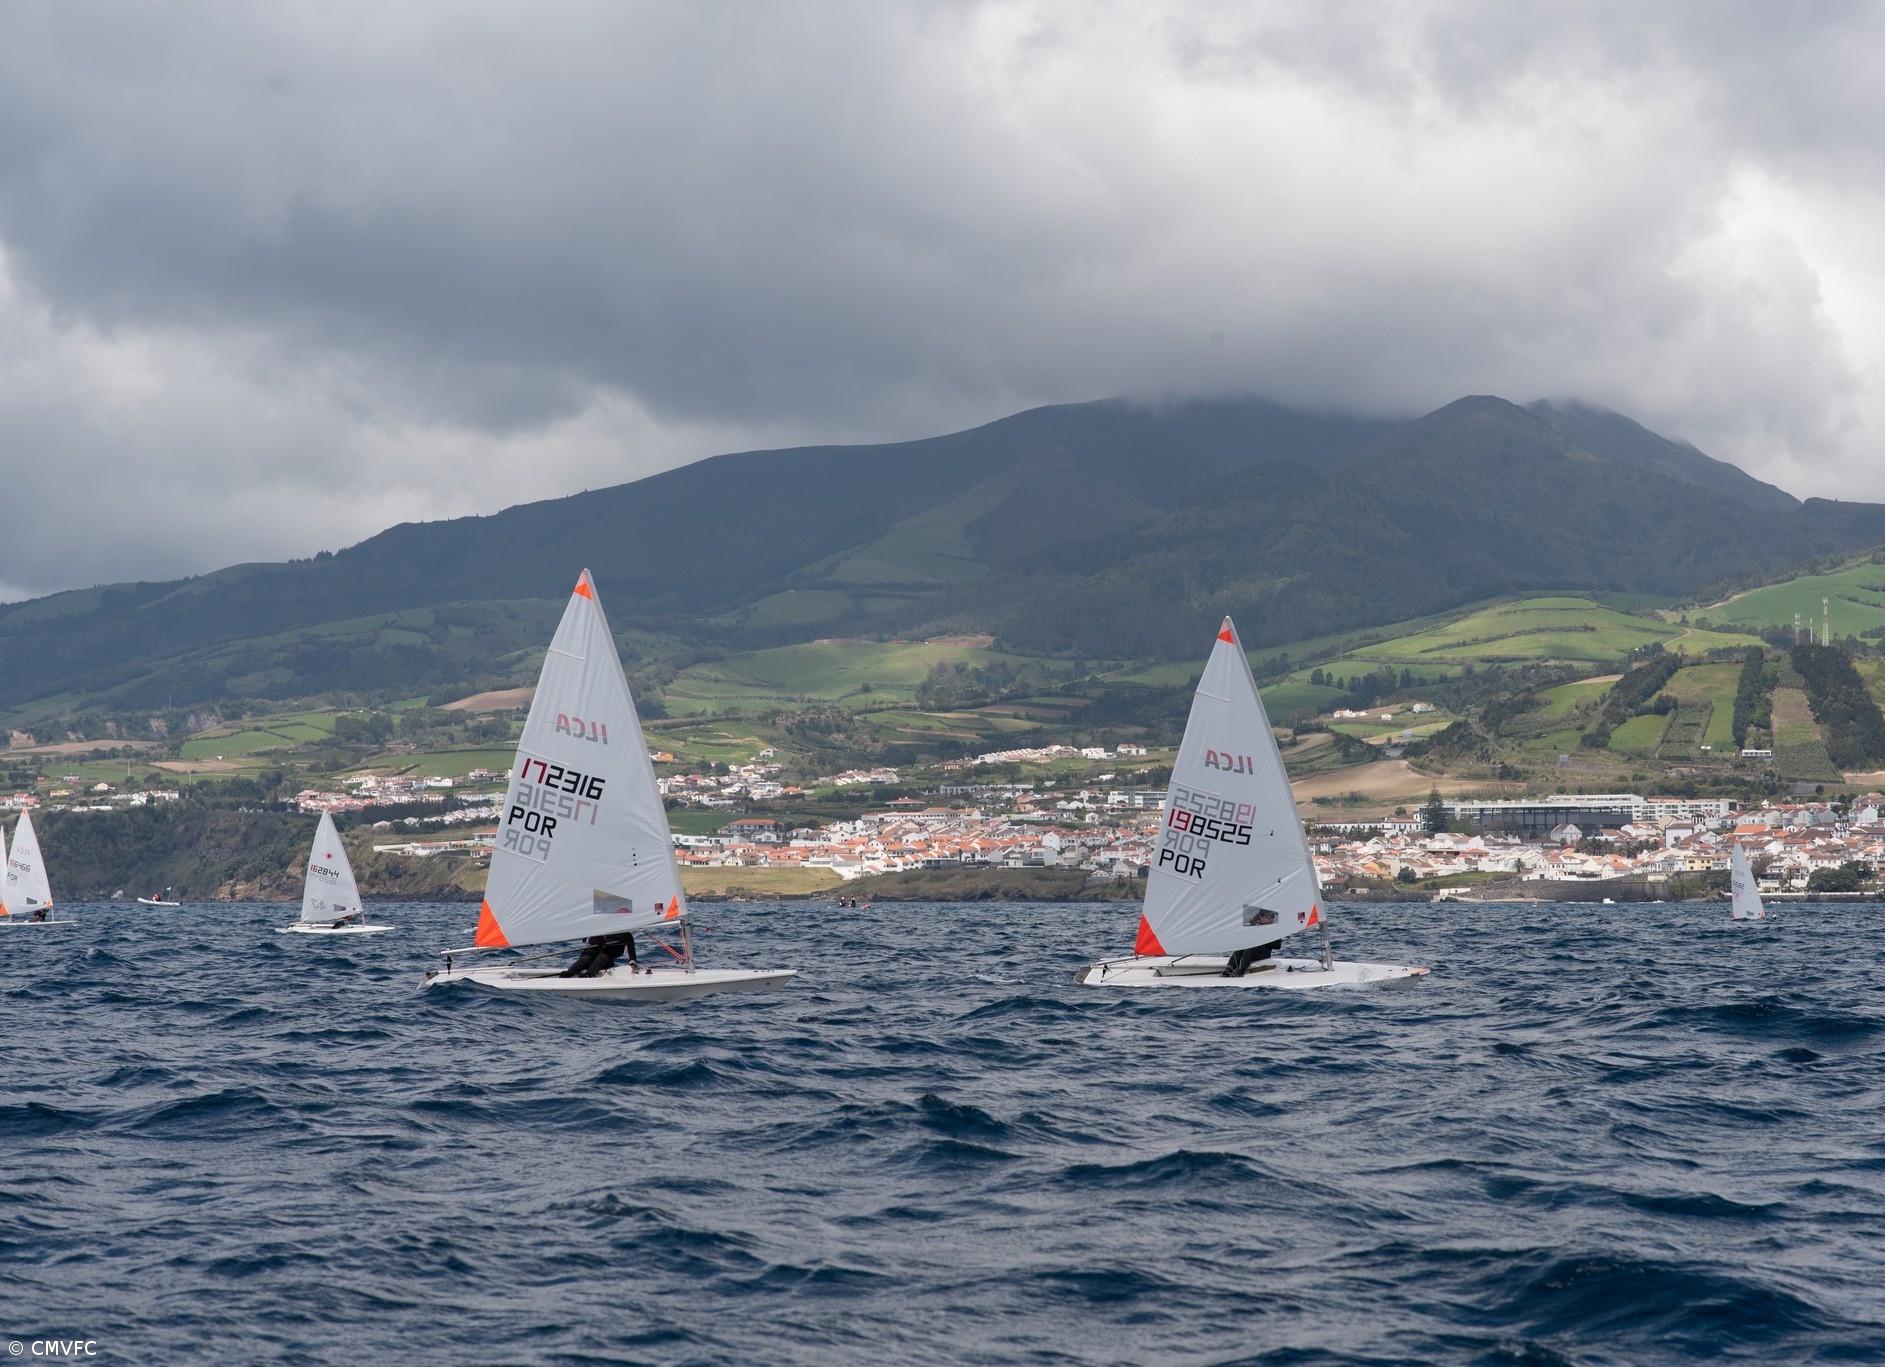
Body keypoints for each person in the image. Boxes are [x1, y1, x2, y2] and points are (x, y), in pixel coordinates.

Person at [560, 931, 638, 978]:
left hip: (606, 960)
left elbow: (631, 950)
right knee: (585, 958)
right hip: (591, 957)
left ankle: (588, 975)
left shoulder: (625, 935)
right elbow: (588, 941)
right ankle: (569, 973)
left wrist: (632, 961)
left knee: (602, 957)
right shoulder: (600, 932)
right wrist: (595, 941)